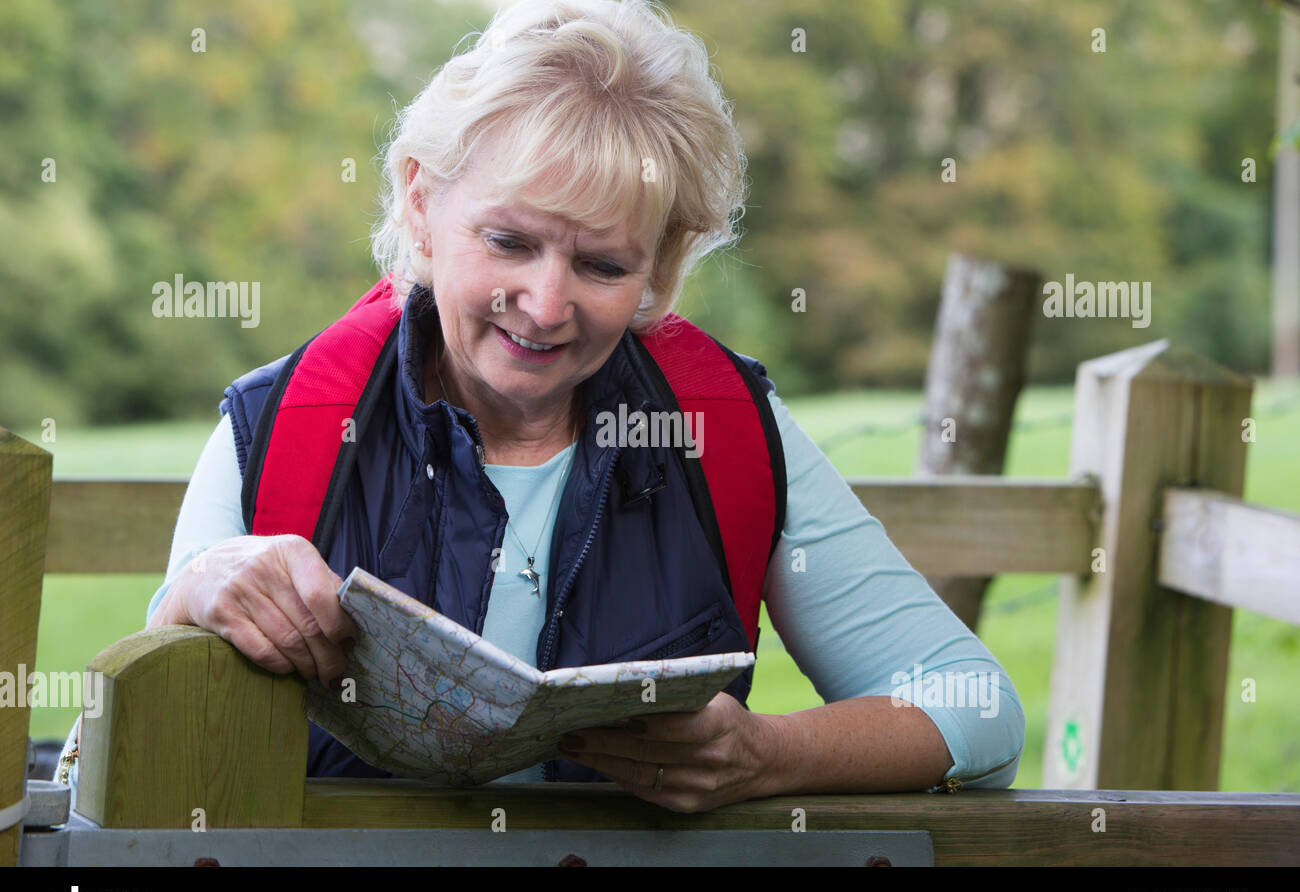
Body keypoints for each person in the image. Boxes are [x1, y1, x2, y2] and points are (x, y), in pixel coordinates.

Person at [59, 0, 1023, 813]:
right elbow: (139, 740)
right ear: (420, 204)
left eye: (603, 264)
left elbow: (977, 705)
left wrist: (769, 756)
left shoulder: (722, 426)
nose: (549, 303)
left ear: (663, 267)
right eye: (511, 243)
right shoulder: (281, 426)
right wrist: (195, 593)